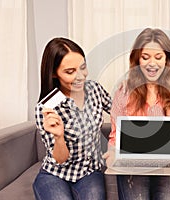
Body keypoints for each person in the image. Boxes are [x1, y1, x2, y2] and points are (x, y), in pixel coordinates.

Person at [103, 28, 170, 200]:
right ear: (137, 59)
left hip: (169, 163)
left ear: (167, 59)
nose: (151, 63)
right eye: (145, 57)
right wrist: (113, 152)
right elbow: (116, 134)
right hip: (133, 163)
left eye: (158, 57)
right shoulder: (124, 91)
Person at [33, 37, 112, 200]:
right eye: (70, 72)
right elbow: (60, 160)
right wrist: (59, 136)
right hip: (54, 174)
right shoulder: (46, 108)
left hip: (89, 173)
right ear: (54, 73)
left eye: (83, 67)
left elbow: (122, 110)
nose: (80, 76)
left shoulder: (94, 89)